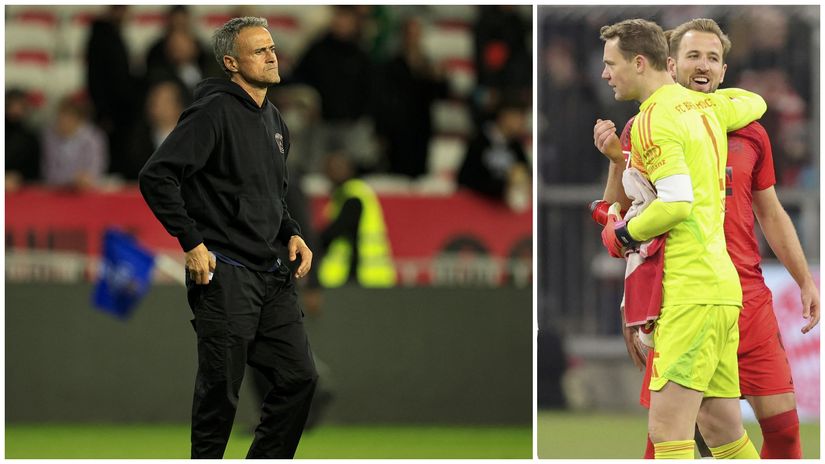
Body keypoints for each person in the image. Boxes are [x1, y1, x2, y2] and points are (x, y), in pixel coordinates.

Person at [593, 18, 820, 459]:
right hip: (704, 291)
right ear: (671, 63)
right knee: (715, 434)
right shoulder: (688, 116)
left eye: (712, 57)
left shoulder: (672, 121)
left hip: (707, 291)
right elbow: (614, 207)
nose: (703, 65)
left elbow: (672, 206)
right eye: (693, 55)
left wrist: (621, 234)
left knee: (672, 434)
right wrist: (616, 167)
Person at [138, 17, 318, 459]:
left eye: (272, 47)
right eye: (259, 50)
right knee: (221, 390)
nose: (272, 55)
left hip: (270, 273)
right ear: (230, 62)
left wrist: (291, 232)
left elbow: (270, 193)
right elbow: (157, 176)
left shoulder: (275, 119)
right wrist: (191, 242)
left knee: (299, 378)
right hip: (225, 272)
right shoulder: (213, 111)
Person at [317, 151, 396, 288]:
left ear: (350, 169)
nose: (333, 172)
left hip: (363, 276)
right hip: (367, 276)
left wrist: (310, 242)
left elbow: (336, 230)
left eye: (338, 167)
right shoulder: (345, 196)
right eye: (330, 168)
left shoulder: (354, 196)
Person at [457, 100, 531, 212]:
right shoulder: (479, 142)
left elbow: (526, 172)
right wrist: (499, 188)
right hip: (478, 207)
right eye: (518, 117)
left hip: (506, 212)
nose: (521, 123)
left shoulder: (516, 146)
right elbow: (465, 178)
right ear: (504, 116)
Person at [41, 94, 108, 190]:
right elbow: (49, 172)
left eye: (69, 116)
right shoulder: (49, 137)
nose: (64, 120)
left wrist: (85, 179)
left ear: (79, 118)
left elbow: (97, 167)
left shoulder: (94, 137)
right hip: (58, 191)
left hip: (88, 190)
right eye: (61, 115)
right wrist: (72, 180)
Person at [5, 88, 41, 191]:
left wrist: (19, 178)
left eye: (20, 106)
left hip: (22, 191)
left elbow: (35, 173)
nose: (15, 110)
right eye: (12, 105)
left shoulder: (31, 138)